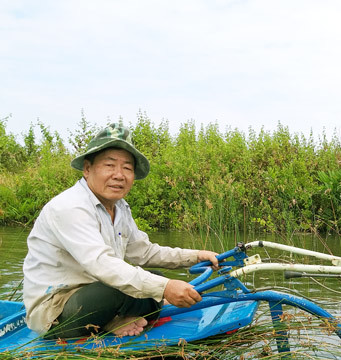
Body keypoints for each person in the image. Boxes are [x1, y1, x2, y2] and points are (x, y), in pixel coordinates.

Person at [22, 122, 219, 339]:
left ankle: (114, 320)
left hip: (100, 295)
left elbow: (144, 253)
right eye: (109, 165)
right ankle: (112, 320)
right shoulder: (69, 207)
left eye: (127, 168)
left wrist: (196, 256)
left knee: (154, 276)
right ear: (87, 169)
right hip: (56, 312)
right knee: (135, 289)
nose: (119, 175)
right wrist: (165, 288)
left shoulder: (120, 208)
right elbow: (102, 265)